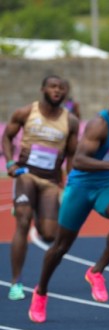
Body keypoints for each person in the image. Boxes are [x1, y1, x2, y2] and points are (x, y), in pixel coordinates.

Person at [28, 82, 109, 323]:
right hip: (81, 187)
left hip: (108, 186)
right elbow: (79, 160)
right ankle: (41, 292)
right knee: (60, 247)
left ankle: (96, 271)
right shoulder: (98, 125)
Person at [2, 75, 80, 301]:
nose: (57, 91)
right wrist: (10, 162)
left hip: (50, 183)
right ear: (43, 89)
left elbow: (71, 154)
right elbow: (7, 136)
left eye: (61, 88)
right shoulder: (26, 112)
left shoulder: (71, 121)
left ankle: (33, 206)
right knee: (23, 222)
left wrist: (71, 182)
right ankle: (16, 283)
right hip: (25, 175)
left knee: (49, 235)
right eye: (53, 87)